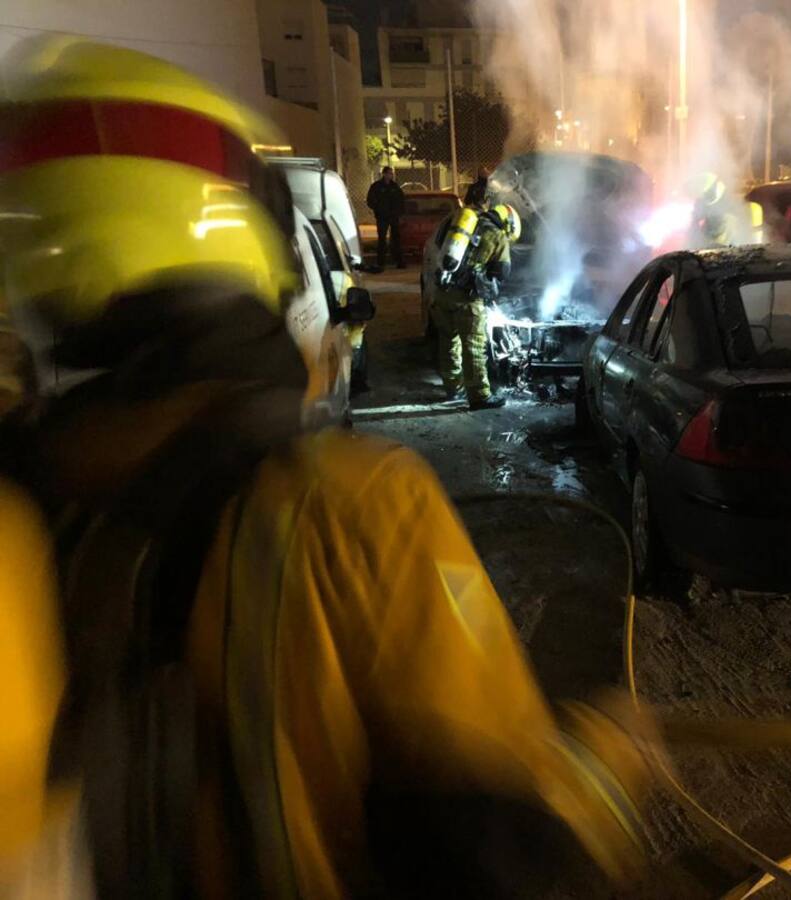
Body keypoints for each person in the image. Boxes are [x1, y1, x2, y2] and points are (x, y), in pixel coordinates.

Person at [0, 37, 657, 899]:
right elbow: (515, 853)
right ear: (243, 224)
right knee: (470, 360)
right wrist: (607, 768)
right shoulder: (350, 508)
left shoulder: (22, 529)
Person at [430, 204, 520, 410]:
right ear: (508, 223)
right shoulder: (497, 235)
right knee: (474, 348)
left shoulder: (463, 223)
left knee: (448, 341)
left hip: (442, 292)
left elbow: (438, 244)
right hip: (467, 300)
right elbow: (502, 272)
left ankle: (453, 388)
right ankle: (479, 396)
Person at [366, 166, 406, 269]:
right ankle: (381, 262)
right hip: (382, 217)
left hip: (393, 216)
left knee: (396, 239)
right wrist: (378, 209)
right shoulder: (377, 186)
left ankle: (399, 261)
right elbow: (370, 200)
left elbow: (401, 200)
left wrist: (399, 213)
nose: (390, 175)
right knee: (382, 239)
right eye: (388, 173)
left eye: (391, 173)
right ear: (384, 174)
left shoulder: (394, 187)